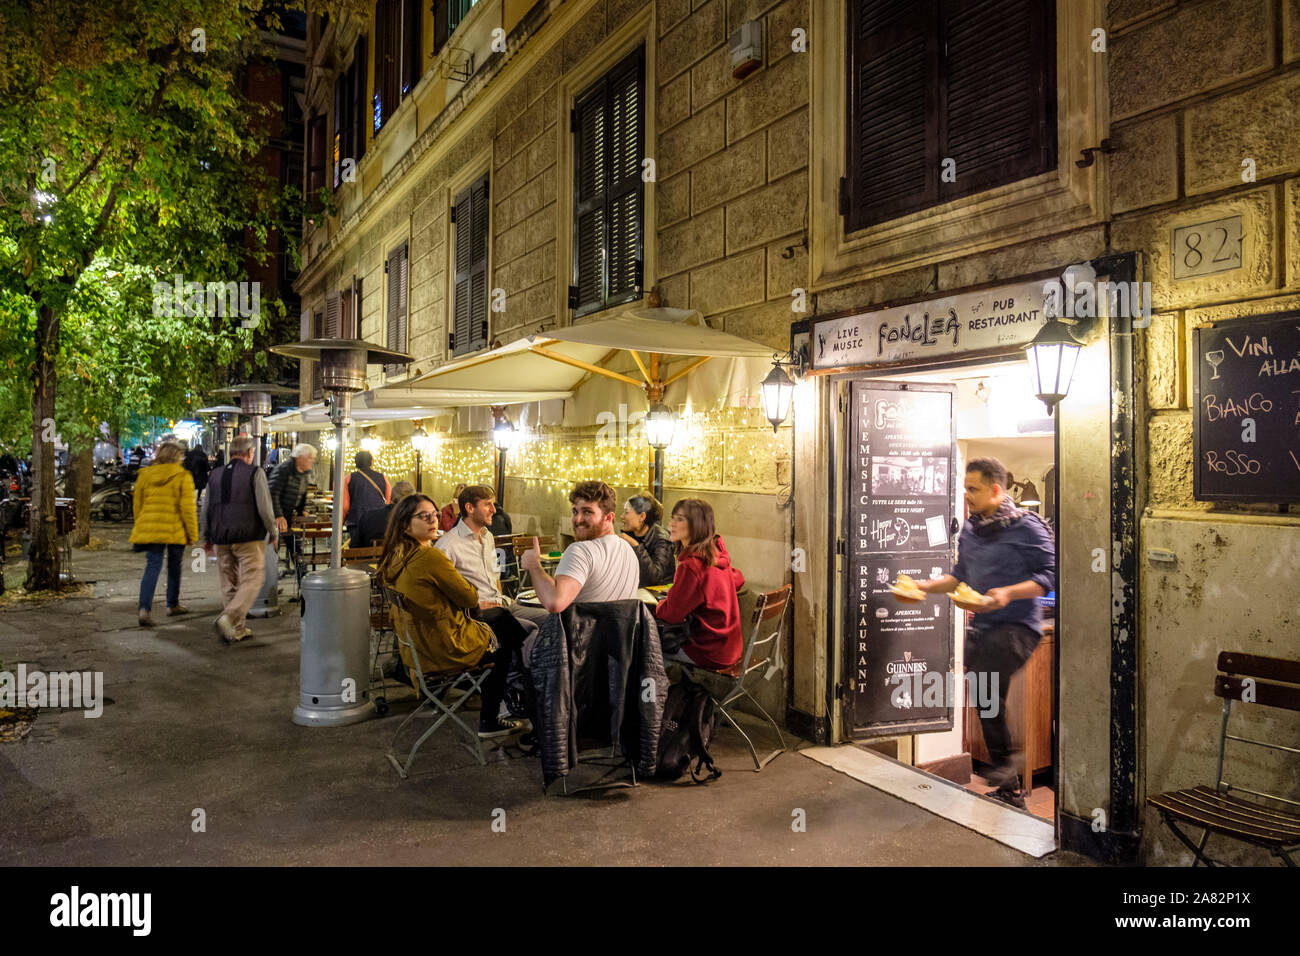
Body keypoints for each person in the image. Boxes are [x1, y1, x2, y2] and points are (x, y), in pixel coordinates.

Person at [910, 457, 1056, 810]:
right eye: (965, 488)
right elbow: (961, 576)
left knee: (988, 677)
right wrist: (925, 586)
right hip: (984, 625)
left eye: (973, 489)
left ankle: (1008, 765)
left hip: (1017, 629)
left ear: (995, 489)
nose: (967, 495)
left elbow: (1051, 574)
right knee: (984, 698)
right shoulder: (972, 530)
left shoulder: (1027, 527)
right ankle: (1009, 783)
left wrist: (1008, 593)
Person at [377, 494, 530, 739]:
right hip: (444, 645)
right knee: (506, 635)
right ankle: (511, 708)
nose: (433, 520)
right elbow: (469, 597)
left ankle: (514, 698)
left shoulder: (396, 554)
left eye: (435, 514)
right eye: (423, 516)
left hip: (416, 646)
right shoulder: (429, 556)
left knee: (503, 621)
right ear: (405, 523)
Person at [200, 435, 279, 644]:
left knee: (229, 582)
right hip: (248, 536)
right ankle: (230, 617)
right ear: (250, 453)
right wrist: (273, 531)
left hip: (220, 536)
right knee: (253, 579)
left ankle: (237, 629)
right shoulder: (255, 473)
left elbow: (206, 507)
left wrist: (206, 536)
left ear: (230, 453)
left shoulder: (215, 475)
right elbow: (264, 506)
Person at [520, 480, 639, 614]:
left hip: (580, 634)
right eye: (575, 512)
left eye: (587, 512)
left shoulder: (581, 550)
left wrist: (533, 565)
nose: (578, 519)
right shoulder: (628, 550)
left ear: (609, 518)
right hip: (621, 634)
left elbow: (554, 603)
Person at [653, 498, 746, 670]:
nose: (671, 523)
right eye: (673, 517)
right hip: (731, 648)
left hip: (708, 651)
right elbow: (738, 580)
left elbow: (670, 614)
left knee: (647, 649)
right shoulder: (716, 554)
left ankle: (662, 695)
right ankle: (685, 691)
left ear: (696, 525)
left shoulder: (691, 567)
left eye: (680, 519)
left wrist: (660, 604)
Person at [130, 442, 198, 627]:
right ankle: (172, 604)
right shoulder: (183, 476)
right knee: (174, 566)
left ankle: (144, 609)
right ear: (177, 457)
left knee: (152, 566)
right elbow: (188, 509)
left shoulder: (145, 475)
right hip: (175, 529)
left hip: (151, 528)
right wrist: (192, 534)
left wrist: (141, 524)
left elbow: (137, 505)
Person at [269, 443, 317, 572]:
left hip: (291, 517)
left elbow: (302, 494)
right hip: (275, 517)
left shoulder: (305, 473)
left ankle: (303, 583)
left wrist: (302, 511)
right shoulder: (283, 469)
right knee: (272, 550)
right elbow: (273, 493)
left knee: (297, 550)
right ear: (300, 457)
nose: (312, 461)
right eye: (310, 458)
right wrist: (278, 515)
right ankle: (269, 584)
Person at [617, 493, 675, 587]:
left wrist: (636, 546)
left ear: (642, 517)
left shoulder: (662, 539)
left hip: (658, 596)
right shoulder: (629, 534)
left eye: (626, 512)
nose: (622, 516)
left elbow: (654, 577)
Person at [340, 450, 391, 541]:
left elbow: (345, 506)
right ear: (371, 462)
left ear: (356, 463)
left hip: (356, 521)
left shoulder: (349, 478)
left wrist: (341, 522)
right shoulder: (383, 477)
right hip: (380, 522)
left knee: (358, 551)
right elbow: (388, 501)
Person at [351, 480, 414, 548]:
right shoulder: (412, 521)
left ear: (391, 497)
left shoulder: (368, 517)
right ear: (412, 501)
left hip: (371, 558)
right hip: (402, 558)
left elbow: (353, 546)